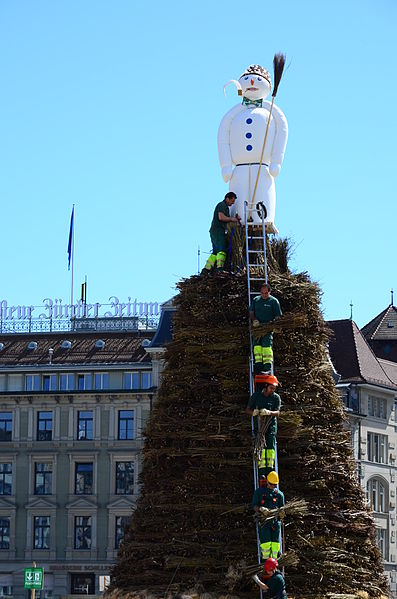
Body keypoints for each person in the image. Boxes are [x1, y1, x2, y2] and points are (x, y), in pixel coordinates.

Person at [246, 374, 280, 477]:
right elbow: (247, 410)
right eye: (271, 388)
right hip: (259, 428)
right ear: (266, 386)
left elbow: (278, 413)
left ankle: (269, 470)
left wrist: (269, 412)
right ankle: (261, 471)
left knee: (270, 448)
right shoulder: (256, 396)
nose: (272, 390)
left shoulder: (275, 398)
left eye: (274, 389)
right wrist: (254, 412)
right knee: (261, 447)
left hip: (270, 428)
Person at [201, 192, 241, 273]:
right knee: (221, 250)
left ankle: (206, 270)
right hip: (218, 231)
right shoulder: (222, 205)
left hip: (215, 231)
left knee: (215, 252)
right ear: (227, 199)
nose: (232, 204)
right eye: (232, 201)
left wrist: (233, 218)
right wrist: (231, 219)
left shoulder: (226, 207)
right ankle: (219, 269)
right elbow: (221, 217)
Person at [249, 282, 282, 373]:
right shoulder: (256, 300)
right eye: (262, 293)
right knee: (257, 347)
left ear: (269, 292)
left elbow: (278, 315)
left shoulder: (274, 301)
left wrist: (275, 324)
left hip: (268, 328)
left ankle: (267, 367)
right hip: (257, 328)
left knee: (266, 347)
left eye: (266, 293)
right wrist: (254, 320)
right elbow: (251, 312)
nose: (264, 295)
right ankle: (258, 366)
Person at [252, 470, 285, 560]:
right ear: (267, 481)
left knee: (276, 544)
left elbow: (282, 508)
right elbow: (254, 505)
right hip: (264, 523)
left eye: (274, 485)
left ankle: (275, 562)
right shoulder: (259, 492)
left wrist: (282, 514)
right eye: (271, 484)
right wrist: (260, 509)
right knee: (266, 544)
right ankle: (265, 562)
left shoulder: (279, 495)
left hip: (275, 523)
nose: (272, 486)